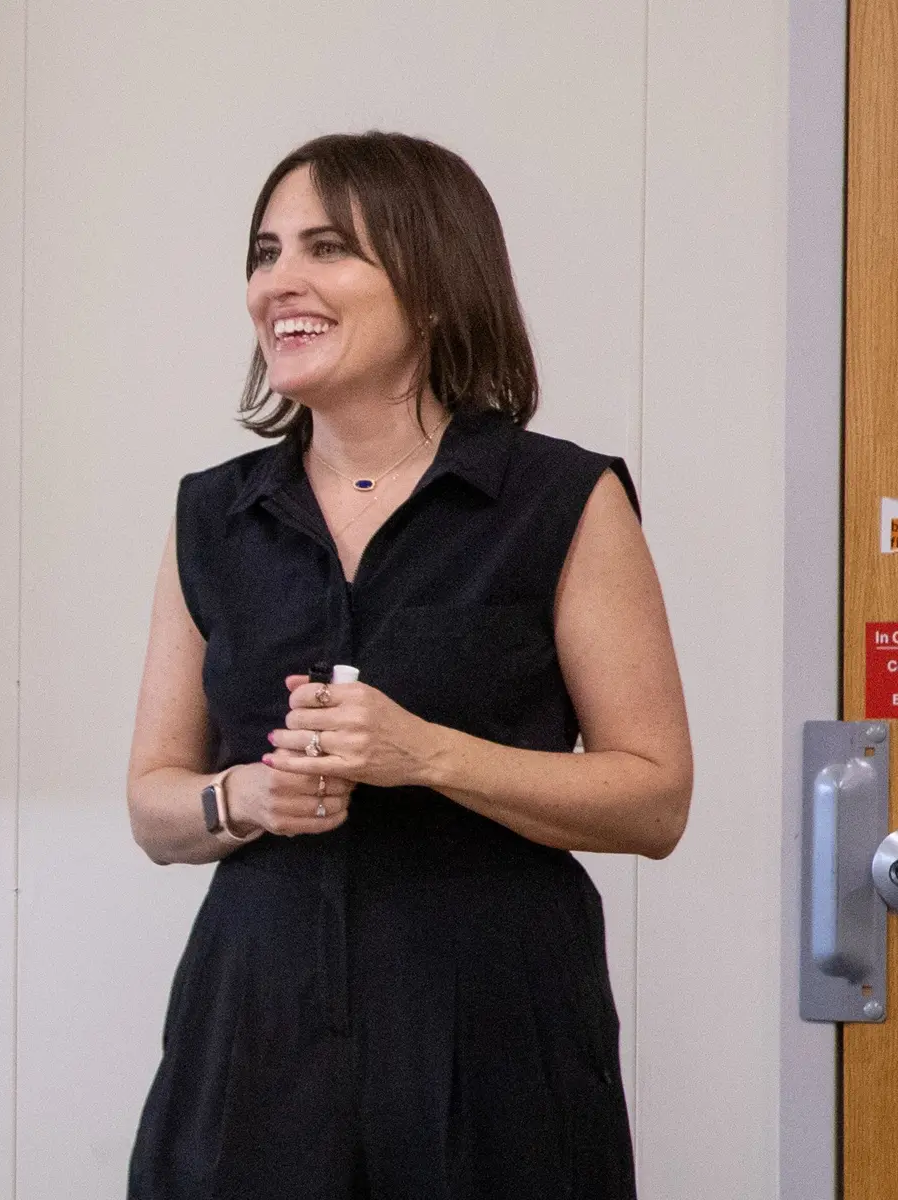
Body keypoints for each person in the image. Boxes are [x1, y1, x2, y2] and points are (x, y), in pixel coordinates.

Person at [126, 131, 692, 1200]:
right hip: (256, 1026)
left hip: (493, 1030)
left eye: (327, 249)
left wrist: (427, 754)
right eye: (264, 252)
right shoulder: (214, 514)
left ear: (433, 285)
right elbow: (153, 803)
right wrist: (243, 795)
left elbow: (655, 800)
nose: (277, 284)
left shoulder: (562, 499)